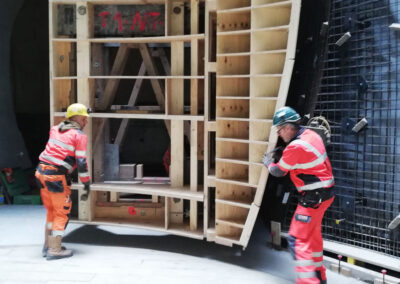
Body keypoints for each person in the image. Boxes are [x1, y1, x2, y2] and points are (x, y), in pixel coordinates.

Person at [263, 106, 335, 284]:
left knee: (297, 239)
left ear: (288, 127)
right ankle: (320, 275)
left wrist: (267, 163)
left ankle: (309, 281)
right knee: (313, 234)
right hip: (326, 195)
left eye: (280, 130)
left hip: (312, 199)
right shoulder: (310, 134)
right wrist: (284, 153)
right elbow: (304, 158)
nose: (279, 134)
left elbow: (279, 172)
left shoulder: (295, 147)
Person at [35, 103, 91, 260]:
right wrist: (86, 182)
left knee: (52, 212)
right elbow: (81, 163)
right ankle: (55, 250)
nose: (86, 123)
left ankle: (48, 245)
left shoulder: (55, 129)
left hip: (41, 174)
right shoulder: (79, 136)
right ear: (77, 119)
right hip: (56, 178)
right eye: (84, 119)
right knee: (62, 213)